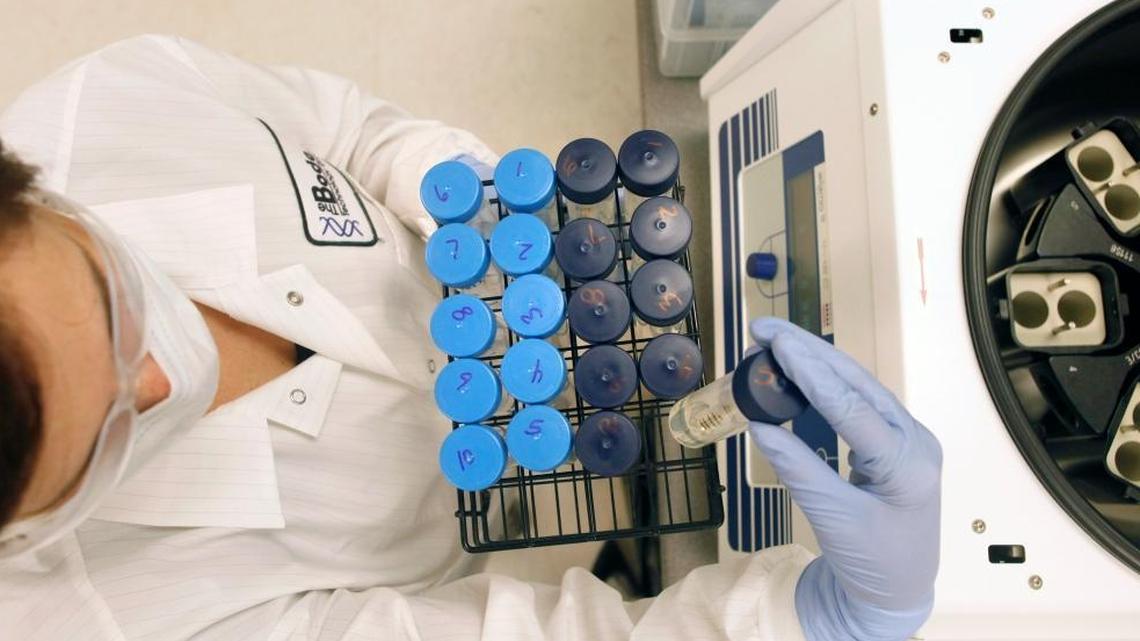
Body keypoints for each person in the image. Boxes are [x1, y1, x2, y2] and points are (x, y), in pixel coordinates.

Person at [0, 36, 942, 641]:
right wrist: (810, 618)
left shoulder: (107, 104)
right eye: (108, 440)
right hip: (474, 520)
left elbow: (345, 132)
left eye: (114, 293)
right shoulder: (125, 621)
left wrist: (448, 188)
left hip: (536, 303)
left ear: (36, 192)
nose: (169, 376)